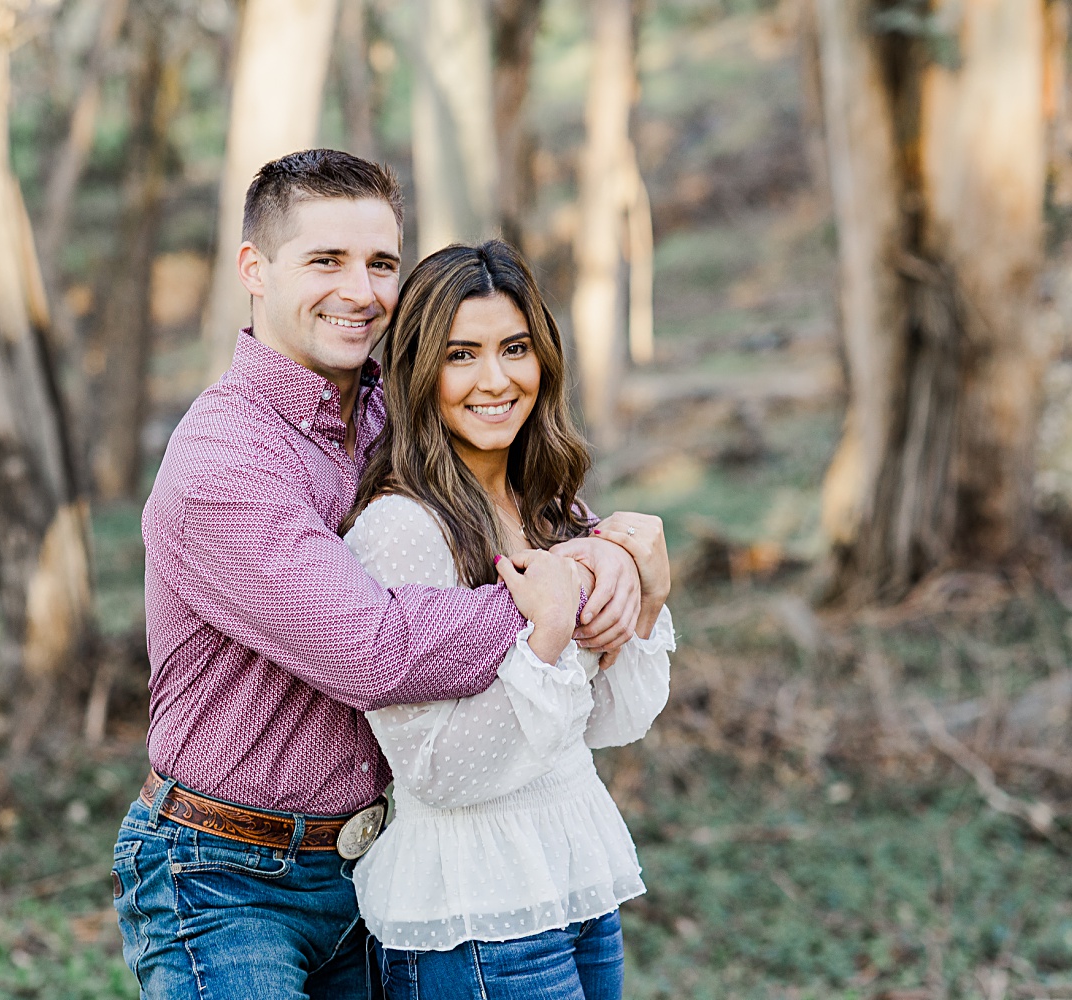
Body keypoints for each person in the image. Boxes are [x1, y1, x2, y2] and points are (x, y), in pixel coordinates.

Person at [113, 149, 647, 999]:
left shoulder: (392, 408)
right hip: (231, 879)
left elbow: (514, 511)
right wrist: (558, 593)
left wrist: (612, 547)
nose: (361, 291)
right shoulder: (223, 461)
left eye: (381, 263)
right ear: (253, 268)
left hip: (382, 862)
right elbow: (373, 650)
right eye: (325, 260)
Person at [341, 240, 675, 999]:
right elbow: (436, 772)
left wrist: (648, 594)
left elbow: (612, 722)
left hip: (573, 882)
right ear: (420, 374)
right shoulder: (400, 529)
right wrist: (549, 635)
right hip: (476, 911)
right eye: (462, 355)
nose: (495, 380)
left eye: (514, 348)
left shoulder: (550, 509)